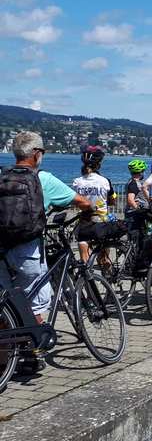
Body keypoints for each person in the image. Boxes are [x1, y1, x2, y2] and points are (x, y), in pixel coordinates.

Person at [0, 132, 92, 374]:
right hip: (27, 247)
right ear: (37, 154)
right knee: (36, 298)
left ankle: (4, 360)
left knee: (5, 302)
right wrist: (88, 210)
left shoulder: (2, 176)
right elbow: (82, 201)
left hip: (1, 246)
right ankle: (34, 353)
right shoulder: (43, 178)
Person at [72, 145, 116, 262]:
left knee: (83, 243)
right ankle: (106, 273)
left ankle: (86, 274)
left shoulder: (77, 182)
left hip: (84, 221)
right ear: (98, 165)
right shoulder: (104, 181)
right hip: (101, 220)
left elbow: (75, 201)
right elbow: (112, 201)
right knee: (104, 252)